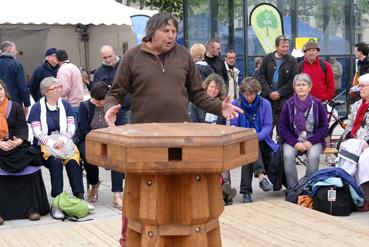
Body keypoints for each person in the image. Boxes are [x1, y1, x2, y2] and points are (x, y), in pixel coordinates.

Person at [103, 12, 242, 247]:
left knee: (178, 190)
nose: (171, 36)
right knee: (137, 190)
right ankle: (129, 239)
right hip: (144, 140)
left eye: (174, 32)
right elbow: (115, 92)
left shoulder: (183, 56)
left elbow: (197, 94)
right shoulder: (132, 57)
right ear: (151, 31)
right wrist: (110, 107)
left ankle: (180, 239)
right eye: (165, 31)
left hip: (180, 138)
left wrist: (220, 107)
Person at [0, 79, 49, 225]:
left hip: (15, 145)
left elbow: (22, 128)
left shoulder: (14, 107)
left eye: (1, 89)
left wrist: (18, 141)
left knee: (32, 159)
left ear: (4, 90)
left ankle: (32, 209)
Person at [28, 77, 84, 204]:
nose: (59, 90)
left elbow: (71, 127)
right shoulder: (37, 108)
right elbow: (37, 131)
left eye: (60, 87)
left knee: (73, 163)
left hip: (65, 143)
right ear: (46, 92)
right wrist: (52, 144)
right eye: (55, 88)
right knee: (56, 164)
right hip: (44, 146)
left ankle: (79, 197)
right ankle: (57, 200)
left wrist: (63, 141)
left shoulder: (66, 105)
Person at [189, 73, 236, 205]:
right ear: (206, 87)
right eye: (211, 87)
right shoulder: (196, 104)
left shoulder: (222, 105)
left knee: (223, 159)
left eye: (216, 88)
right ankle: (222, 191)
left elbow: (225, 125)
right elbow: (193, 122)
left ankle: (226, 188)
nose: (213, 90)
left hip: (217, 141)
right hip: (201, 141)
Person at [76, 81, 124, 209]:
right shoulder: (85, 106)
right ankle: (95, 183)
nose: (97, 103)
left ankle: (117, 195)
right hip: (89, 139)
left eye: (100, 101)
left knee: (116, 157)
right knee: (88, 156)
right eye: (95, 100)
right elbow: (84, 130)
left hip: (110, 139)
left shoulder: (114, 107)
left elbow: (118, 126)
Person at [230, 77, 279, 203]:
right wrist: (246, 137)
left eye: (251, 94)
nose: (249, 97)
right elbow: (234, 125)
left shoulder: (265, 104)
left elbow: (268, 126)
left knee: (251, 146)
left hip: (263, 142)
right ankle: (262, 176)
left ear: (257, 92)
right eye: (246, 94)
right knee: (249, 146)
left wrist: (254, 137)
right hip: (242, 142)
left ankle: (246, 192)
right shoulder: (236, 104)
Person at [279, 73, 328, 189]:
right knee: (288, 155)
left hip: (313, 139)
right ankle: (293, 188)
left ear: (310, 87)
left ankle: (308, 186)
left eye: (304, 84)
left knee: (314, 156)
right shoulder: (288, 104)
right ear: (294, 87)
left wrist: (310, 141)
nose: (301, 87)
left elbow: (324, 127)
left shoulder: (317, 104)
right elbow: (282, 128)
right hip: (293, 139)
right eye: (298, 85)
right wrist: (295, 143)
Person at [339, 73, 369, 209]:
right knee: (344, 156)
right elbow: (349, 127)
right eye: (359, 86)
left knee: (363, 160)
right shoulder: (356, 105)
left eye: (362, 86)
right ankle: (349, 194)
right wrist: (344, 141)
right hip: (355, 142)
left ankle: (365, 198)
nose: (359, 89)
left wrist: (366, 143)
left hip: (366, 144)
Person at [259, 35, 298, 137]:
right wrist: (269, 92)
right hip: (267, 99)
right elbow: (261, 76)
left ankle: (281, 151)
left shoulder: (292, 60)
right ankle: (267, 150)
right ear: (276, 47)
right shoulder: (267, 58)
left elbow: (293, 80)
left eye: (287, 46)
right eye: (283, 46)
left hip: (284, 100)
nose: (286, 49)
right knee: (267, 127)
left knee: (283, 128)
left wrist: (280, 93)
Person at [93, 45, 130, 124]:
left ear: (114, 53)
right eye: (105, 58)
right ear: (101, 57)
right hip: (108, 110)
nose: (108, 60)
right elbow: (95, 92)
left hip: (126, 109)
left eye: (110, 56)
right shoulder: (98, 73)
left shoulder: (125, 65)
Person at [0, 41, 30, 116]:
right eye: (15, 49)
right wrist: (26, 104)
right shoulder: (16, 65)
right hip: (13, 104)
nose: (16, 52)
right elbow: (22, 87)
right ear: (10, 50)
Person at [55, 49, 84, 116]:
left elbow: (64, 89)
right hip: (79, 104)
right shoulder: (74, 67)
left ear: (57, 59)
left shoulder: (63, 70)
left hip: (70, 105)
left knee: (72, 126)